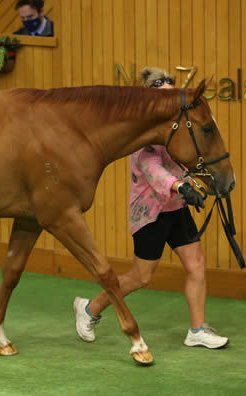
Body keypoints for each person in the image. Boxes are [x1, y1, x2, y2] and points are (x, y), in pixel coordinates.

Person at [72, 67, 229, 349]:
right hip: (150, 213)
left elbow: (186, 158)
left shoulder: (175, 127)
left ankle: (197, 329)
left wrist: (199, 181)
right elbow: (152, 169)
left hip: (175, 208)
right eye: (163, 98)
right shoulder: (141, 137)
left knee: (196, 266)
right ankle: (89, 309)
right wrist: (181, 187)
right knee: (140, 277)